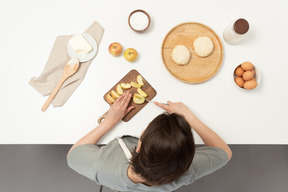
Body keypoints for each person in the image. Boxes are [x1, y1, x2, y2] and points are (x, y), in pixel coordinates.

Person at [67, 92, 232, 192]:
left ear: (139, 144)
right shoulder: (188, 172)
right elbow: (224, 151)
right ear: (188, 159)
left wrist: (109, 122)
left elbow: (74, 154)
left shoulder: (100, 168)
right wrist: (190, 117)